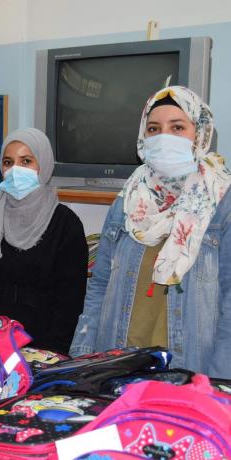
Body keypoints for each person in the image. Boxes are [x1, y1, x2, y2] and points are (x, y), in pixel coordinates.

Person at [69, 86, 231, 378]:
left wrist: (219, 383)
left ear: (201, 133)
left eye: (177, 127)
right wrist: (82, 356)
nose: (163, 138)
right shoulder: (129, 198)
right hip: (119, 366)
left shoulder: (221, 201)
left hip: (188, 371)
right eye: (154, 128)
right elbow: (100, 284)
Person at [0, 128, 88, 355]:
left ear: (44, 165)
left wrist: (54, 353)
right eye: (8, 162)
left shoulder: (65, 224)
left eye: (26, 161)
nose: (14, 170)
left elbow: (70, 301)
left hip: (44, 343)